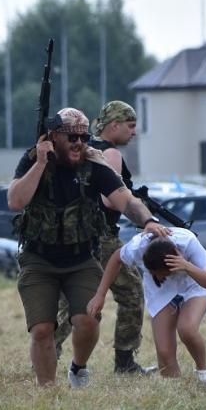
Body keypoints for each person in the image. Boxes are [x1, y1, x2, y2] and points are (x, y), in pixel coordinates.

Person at [8, 107, 170, 388]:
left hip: (81, 258)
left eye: (84, 137)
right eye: (72, 138)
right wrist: (41, 163)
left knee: (88, 320)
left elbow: (125, 200)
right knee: (43, 328)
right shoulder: (34, 158)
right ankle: (47, 391)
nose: (79, 144)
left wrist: (148, 221)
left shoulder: (93, 163)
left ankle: (78, 367)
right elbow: (15, 201)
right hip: (38, 258)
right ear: (54, 137)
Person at [53, 100, 153, 375]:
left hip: (76, 235)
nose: (134, 132)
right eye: (130, 126)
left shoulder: (83, 148)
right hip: (102, 236)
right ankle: (125, 362)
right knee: (132, 292)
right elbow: (110, 200)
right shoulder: (109, 153)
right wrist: (134, 201)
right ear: (114, 125)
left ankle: (46, 354)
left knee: (69, 301)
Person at [87, 230, 206, 384]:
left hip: (194, 285)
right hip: (160, 291)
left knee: (187, 329)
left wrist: (187, 266)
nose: (158, 276)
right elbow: (116, 258)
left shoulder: (188, 241)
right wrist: (100, 295)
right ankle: (174, 388)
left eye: (162, 273)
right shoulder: (138, 246)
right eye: (153, 273)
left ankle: (203, 372)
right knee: (164, 352)